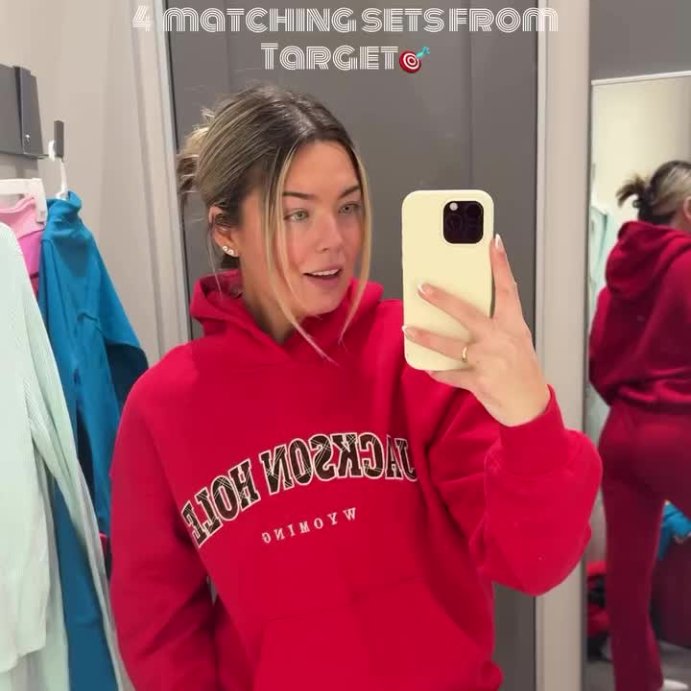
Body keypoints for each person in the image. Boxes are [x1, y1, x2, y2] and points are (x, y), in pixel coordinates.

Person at [110, 82, 601, 691]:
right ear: (225, 230)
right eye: (297, 213)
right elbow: (157, 624)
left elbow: (536, 563)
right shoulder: (163, 407)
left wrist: (528, 416)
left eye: (348, 207)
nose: (334, 240)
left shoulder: (423, 356)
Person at [589, 160, 691, 691]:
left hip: (622, 432)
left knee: (627, 583)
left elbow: (599, 361)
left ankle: (639, 684)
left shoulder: (618, 278)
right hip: (678, 432)